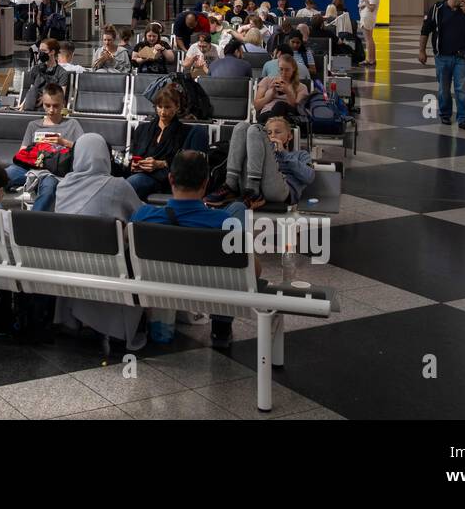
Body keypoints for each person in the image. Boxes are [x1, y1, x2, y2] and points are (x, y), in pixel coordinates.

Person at [130, 151, 252, 350]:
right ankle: (221, 328)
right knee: (238, 208)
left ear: (170, 178)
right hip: (210, 290)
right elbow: (252, 272)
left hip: (158, 284)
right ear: (206, 182)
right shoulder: (222, 222)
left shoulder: (143, 215)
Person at [50, 134, 146, 352]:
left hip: (68, 265)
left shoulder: (63, 185)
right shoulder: (117, 186)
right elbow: (141, 214)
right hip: (106, 269)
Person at [210, 116, 314, 210]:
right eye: (268, 133)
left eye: (278, 132)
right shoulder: (258, 149)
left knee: (255, 129)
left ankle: (253, 191)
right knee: (241, 127)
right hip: (249, 187)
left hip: (280, 192)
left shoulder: (301, 154)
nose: (273, 135)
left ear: (289, 136)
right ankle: (230, 185)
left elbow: (309, 177)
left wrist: (283, 153)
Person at [419, 0, 465, 130]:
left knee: (462, 89)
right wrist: (421, 51)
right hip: (442, 57)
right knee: (444, 89)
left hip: (463, 56)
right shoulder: (437, 9)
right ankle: (445, 114)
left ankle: (463, 118)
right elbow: (425, 30)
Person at [5, 84, 83, 192]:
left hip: (54, 172)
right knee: (1, 177)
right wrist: (37, 148)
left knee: (48, 185)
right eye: (47, 105)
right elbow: (22, 151)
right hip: (31, 168)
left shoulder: (72, 124)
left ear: (63, 104)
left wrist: (63, 142)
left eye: (55, 106)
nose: (51, 110)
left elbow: (85, 150)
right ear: (43, 104)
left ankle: (37, 209)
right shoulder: (33, 125)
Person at [125, 86, 187, 200]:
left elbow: (183, 162)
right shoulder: (142, 129)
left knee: (131, 184)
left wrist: (160, 163)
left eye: (167, 107)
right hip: (140, 175)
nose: (163, 112)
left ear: (177, 107)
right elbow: (134, 156)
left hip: (164, 179)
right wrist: (133, 165)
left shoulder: (184, 132)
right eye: (160, 107)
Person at [254, 54, 308, 122]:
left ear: (293, 69)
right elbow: (256, 107)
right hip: (267, 114)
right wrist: (269, 96)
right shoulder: (267, 81)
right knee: (264, 116)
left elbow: (298, 109)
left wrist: (288, 93)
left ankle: (270, 126)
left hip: (287, 116)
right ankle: (271, 125)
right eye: (281, 69)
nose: (283, 73)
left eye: (287, 70)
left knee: (280, 105)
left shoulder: (301, 87)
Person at [21, 37, 71, 110]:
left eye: (44, 51)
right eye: (40, 51)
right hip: (34, 102)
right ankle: (27, 112)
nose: (40, 54)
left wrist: (45, 99)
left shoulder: (62, 73)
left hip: (51, 105)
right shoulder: (36, 69)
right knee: (34, 89)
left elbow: (60, 95)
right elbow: (31, 91)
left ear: (52, 52)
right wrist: (23, 104)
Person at [357, 0, 380, 65]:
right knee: (370, 39)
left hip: (368, 17)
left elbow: (371, 8)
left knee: (368, 39)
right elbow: (366, 5)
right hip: (368, 17)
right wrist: (365, 0)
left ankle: (369, 60)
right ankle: (372, 59)